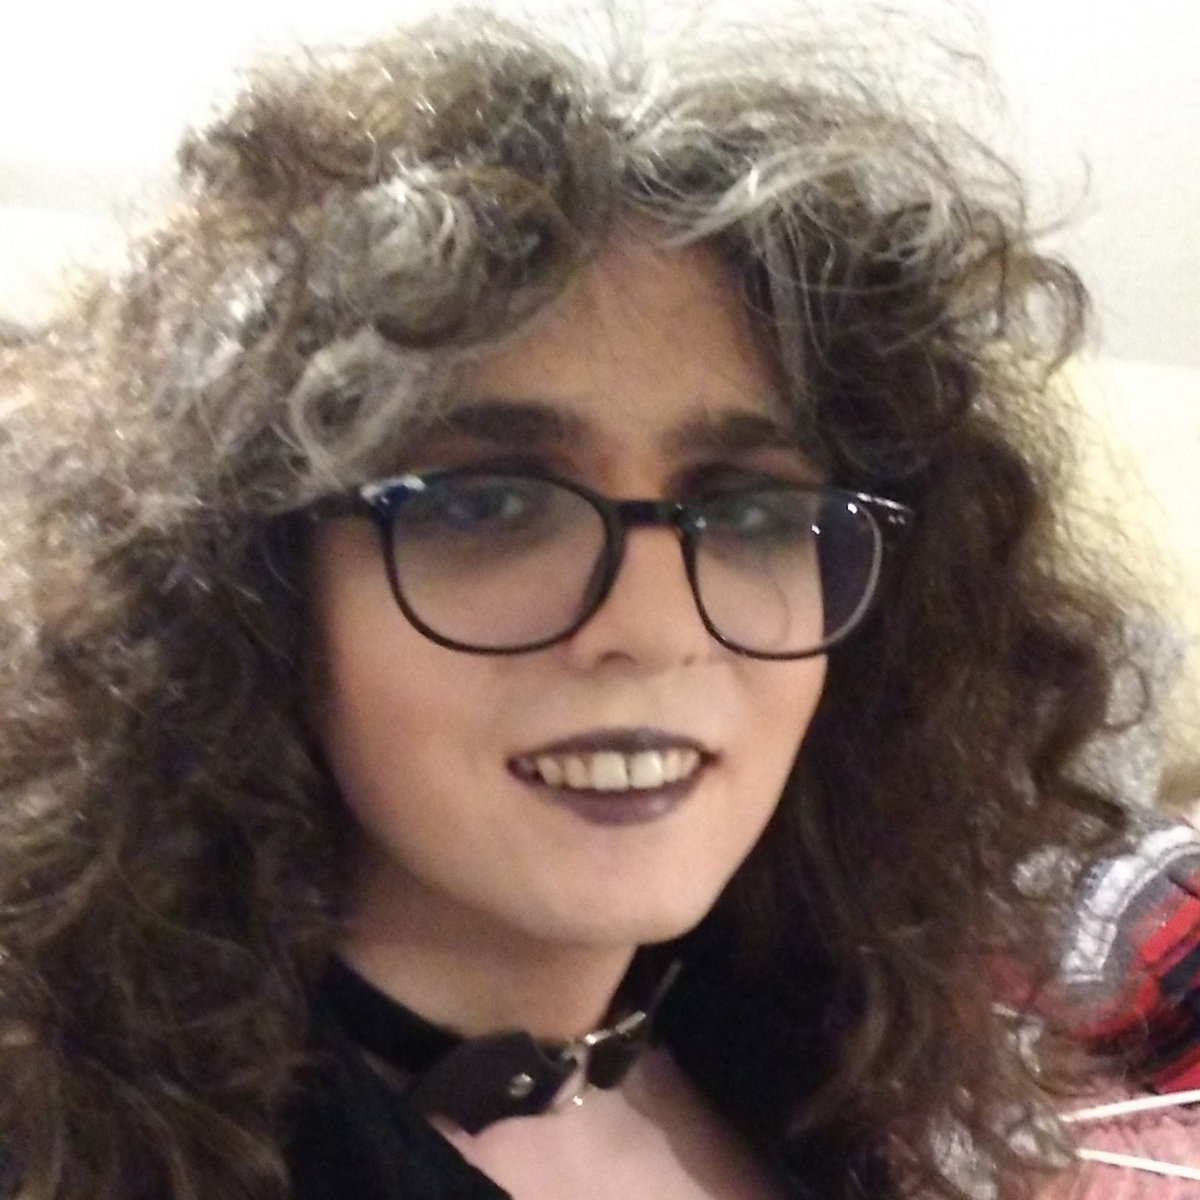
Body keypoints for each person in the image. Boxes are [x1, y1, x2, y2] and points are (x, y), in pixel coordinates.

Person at [0, 8, 1162, 1199]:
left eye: (752, 511)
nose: (655, 630)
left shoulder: (809, 1045)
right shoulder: (75, 1145)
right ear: (259, 584)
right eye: (489, 505)